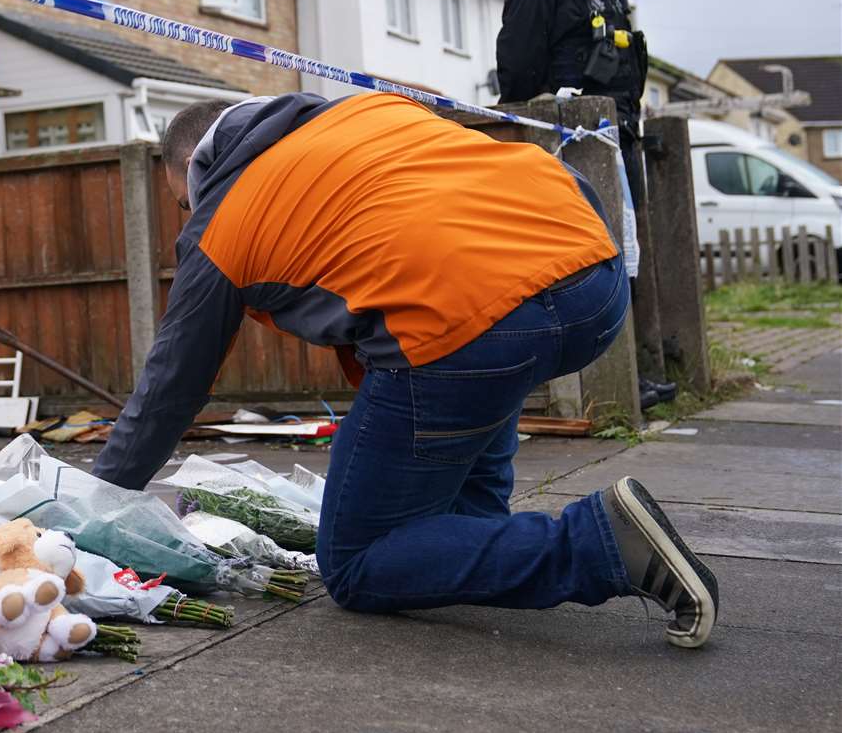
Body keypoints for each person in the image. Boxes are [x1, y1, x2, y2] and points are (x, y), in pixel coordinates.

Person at [91, 92, 718, 648]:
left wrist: (89, 508)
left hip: (473, 325)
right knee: (460, 491)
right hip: (595, 282)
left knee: (357, 561)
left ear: (195, 171)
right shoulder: (370, 114)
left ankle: (600, 545)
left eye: (181, 202)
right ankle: (473, 545)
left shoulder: (223, 220)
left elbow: (172, 384)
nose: (187, 216)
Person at [495, 0, 676, 409]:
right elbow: (518, 78)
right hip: (571, 151)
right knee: (584, 265)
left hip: (619, 138)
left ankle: (625, 374)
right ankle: (599, 382)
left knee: (625, 258)